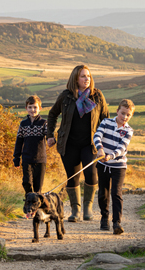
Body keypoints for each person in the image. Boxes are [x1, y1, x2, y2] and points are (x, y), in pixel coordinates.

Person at [47, 65, 109, 222]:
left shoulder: (97, 96)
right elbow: (53, 114)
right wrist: (50, 135)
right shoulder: (66, 96)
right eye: (83, 76)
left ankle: (88, 207)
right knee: (72, 177)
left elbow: (106, 119)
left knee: (91, 174)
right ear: (75, 78)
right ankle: (75, 210)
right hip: (69, 143)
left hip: (91, 144)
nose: (87, 79)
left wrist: (106, 142)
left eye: (88, 76)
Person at [94, 99, 135, 235]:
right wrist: (100, 149)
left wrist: (111, 156)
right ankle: (104, 217)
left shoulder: (129, 130)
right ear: (117, 111)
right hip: (102, 164)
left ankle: (117, 222)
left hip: (119, 165)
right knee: (103, 193)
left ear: (131, 116)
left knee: (116, 193)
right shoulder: (106, 122)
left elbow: (122, 148)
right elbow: (97, 135)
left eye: (128, 115)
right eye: (122, 113)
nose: (124, 117)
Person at [13, 95, 47, 194]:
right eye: (30, 107)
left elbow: (49, 135)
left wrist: (52, 139)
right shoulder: (23, 124)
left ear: (40, 108)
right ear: (26, 108)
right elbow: (19, 141)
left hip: (40, 159)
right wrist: (16, 157)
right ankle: (29, 200)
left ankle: (36, 208)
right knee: (27, 182)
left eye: (35, 107)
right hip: (27, 159)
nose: (33, 110)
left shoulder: (44, 123)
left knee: (38, 187)